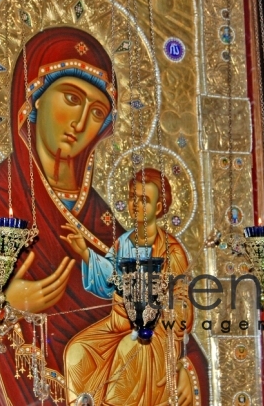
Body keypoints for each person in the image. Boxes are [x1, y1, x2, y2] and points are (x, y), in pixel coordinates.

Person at [0, 27, 126, 404]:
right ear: (31, 100)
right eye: (71, 98)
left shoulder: (108, 228)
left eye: (96, 111)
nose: (81, 124)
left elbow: (160, 333)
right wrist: (4, 308)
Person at [61, 168, 208, 405]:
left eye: (144, 200)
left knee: (127, 349)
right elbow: (110, 280)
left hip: (154, 331)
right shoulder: (123, 243)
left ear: (159, 208)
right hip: (118, 323)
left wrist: (174, 314)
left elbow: (180, 298)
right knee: (77, 351)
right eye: (132, 197)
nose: (136, 204)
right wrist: (85, 254)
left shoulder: (172, 250)